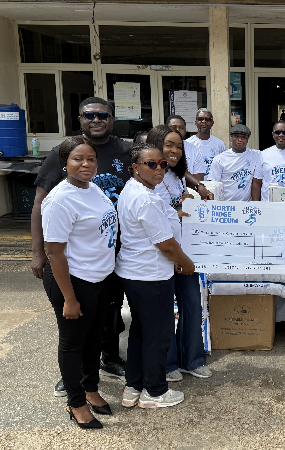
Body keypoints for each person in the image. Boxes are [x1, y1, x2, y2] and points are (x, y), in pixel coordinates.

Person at [32, 97, 131, 396]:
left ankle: (106, 361)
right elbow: (40, 204)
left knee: (107, 315)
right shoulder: (61, 158)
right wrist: (38, 252)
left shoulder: (120, 155)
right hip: (75, 262)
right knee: (73, 325)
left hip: (109, 256)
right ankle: (72, 379)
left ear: (112, 119)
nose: (96, 120)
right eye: (90, 115)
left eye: (103, 115)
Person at [41, 137, 117, 429]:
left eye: (91, 159)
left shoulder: (92, 188)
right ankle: (75, 402)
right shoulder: (60, 200)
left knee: (94, 338)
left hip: (99, 278)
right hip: (74, 281)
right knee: (73, 344)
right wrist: (70, 299)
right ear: (64, 163)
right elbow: (54, 252)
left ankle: (90, 388)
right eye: (78, 159)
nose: (86, 164)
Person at [116, 143, 195, 409]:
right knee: (158, 336)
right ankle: (155, 391)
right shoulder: (145, 198)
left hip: (136, 272)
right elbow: (166, 244)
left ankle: (134, 385)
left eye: (162, 163)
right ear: (135, 167)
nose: (159, 168)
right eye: (151, 164)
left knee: (141, 331)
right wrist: (186, 264)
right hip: (152, 275)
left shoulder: (135, 189)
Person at [146, 125, 212, 382]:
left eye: (179, 146)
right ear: (155, 146)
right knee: (165, 311)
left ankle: (192, 359)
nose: (175, 151)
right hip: (163, 253)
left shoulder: (175, 174)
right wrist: (175, 211)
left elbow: (179, 192)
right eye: (169, 145)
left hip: (185, 251)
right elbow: (153, 214)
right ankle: (169, 363)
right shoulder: (150, 176)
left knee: (193, 305)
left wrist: (188, 196)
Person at [208, 124, 262, 201]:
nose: (239, 139)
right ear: (231, 137)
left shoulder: (256, 155)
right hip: (226, 204)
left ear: (248, 139)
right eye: (236, 136)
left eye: (243, 137)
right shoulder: (220, 159)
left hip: (246, 205)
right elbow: (214, 185)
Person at [166, 115, 207, 185]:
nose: (178, 130)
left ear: (185, 130)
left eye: (181, 128)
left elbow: (198, 180)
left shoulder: (194, 150)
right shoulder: (160, 148)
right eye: (173, 127)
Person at [185, 108, 226, 177]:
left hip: (214, 183)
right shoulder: (188, 144)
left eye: (207, 119)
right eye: (200, 119)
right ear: (195, 122)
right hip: (194, 183)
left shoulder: (219, 144)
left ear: (212, 123)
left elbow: (224, 167)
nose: (204, 121)